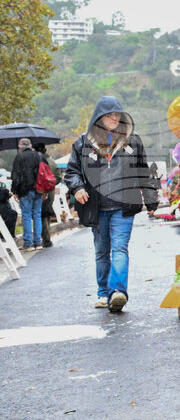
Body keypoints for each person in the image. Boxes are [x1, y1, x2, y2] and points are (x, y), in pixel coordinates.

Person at [65, 97, 158, 312]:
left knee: (119, 248)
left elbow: (143, 171)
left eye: (118, 115)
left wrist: (151, 199)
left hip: (123, 207)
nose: (115, 119)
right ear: (98, 118)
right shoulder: (82, 143)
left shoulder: (132, 141)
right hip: (96, 207)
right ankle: (103, 292)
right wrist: (78, 187)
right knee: (101, 251)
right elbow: (72, 172)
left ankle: (117, 291)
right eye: (110, 115)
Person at [10, 137, 44, 250]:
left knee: (26, 216)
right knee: (37, 215)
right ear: (30, 145)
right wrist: (45, 190)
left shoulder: (19, 157)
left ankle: (28, 243)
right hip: (39, 189)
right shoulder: (39, 156)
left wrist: (15, 191)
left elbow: (15, 176)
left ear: (20, 147)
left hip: (25, 190)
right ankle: (38, 242)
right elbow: (46, 173)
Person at [34, 143, 60, 247]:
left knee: (42, 215)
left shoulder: (38, 162)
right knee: (47, 213)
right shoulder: (53, 162)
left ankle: (46, 239)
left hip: (40, 191)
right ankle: (47, 236)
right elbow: (59, 177)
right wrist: (51, 184)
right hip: (51, 191)